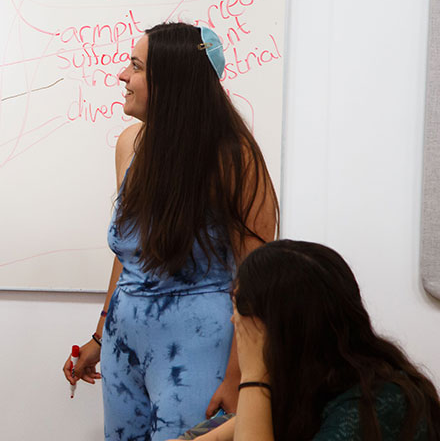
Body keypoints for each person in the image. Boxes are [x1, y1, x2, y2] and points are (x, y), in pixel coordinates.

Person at [63, 22, 278, 441]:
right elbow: (129, 256)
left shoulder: (235, 157)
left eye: (136, 66)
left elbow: (256, 278)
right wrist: (100, 336)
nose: (122, 75)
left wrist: (240, 378)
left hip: (197, 348)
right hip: (125, 346)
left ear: (172, 82)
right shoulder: (130, 144)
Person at [186, 239, 440, 441]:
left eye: (242, 311)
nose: (235, 322)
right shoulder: (310, 383)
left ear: (284, 324)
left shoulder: (379, 403)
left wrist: (253, 377)